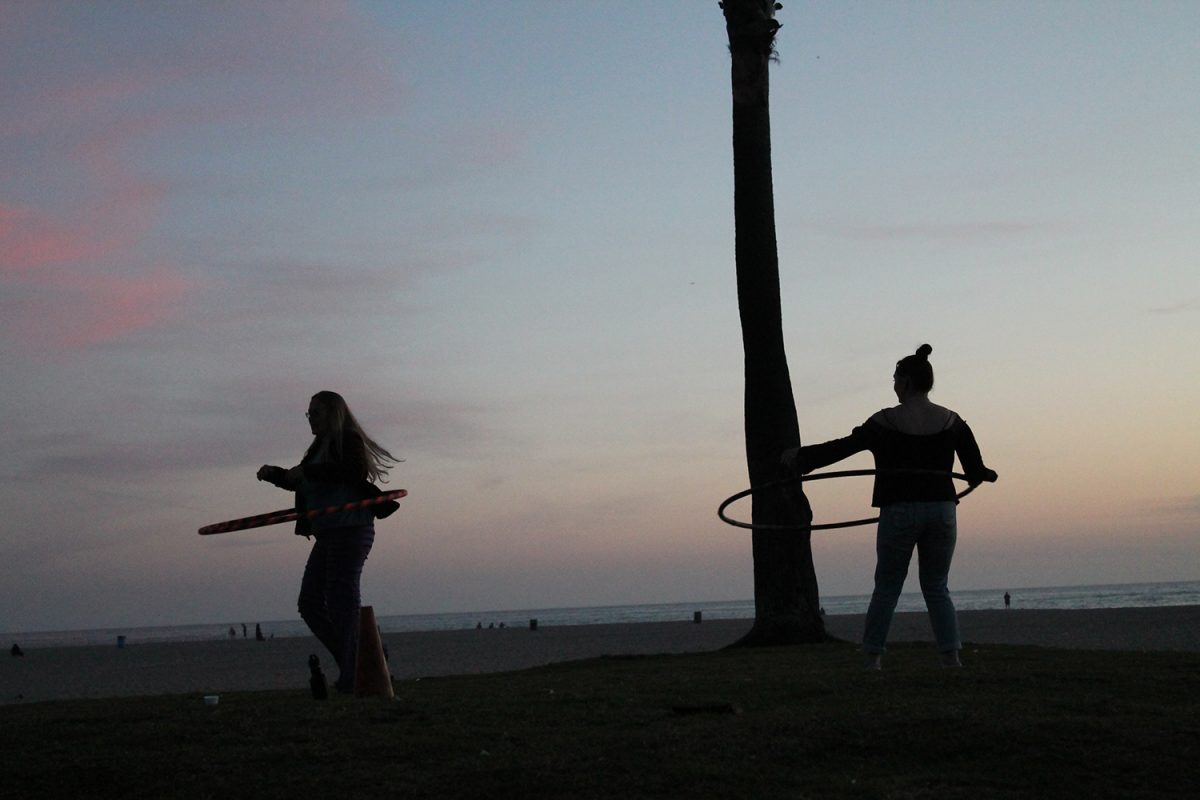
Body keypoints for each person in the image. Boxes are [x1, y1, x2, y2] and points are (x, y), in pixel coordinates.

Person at [782, 345, 997, 669]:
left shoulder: (884, 421)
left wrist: (801, 458)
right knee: (937, 586)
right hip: (941, 510)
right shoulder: (952, 421)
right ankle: (951, 657)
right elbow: (974, 471)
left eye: (896, 379)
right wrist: (985, 475)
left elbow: (843, 448)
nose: (893, 385)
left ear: (907, 382)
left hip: (900, 511)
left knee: (887, 586)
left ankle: (872, 658)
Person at [257, 390, 400, 693]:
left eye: (316, 412)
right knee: (310, 603)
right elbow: (304, 480)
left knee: (341, 600)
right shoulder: (317, 449)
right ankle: (361, 660)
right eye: (308, 413)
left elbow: (352, 473)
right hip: (327, 534)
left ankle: (356, 670)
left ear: (332, 414)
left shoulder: (347, 441)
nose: (310, 418)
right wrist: (273, 475)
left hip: (351, 529)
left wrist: (308, 471)